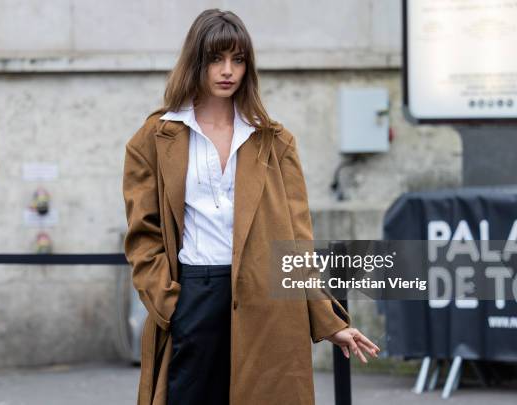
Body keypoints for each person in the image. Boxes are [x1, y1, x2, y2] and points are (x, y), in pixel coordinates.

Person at [122, 8, 380, 405]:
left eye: (238, 60)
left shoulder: (274, 142)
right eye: (216, 59)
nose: (228, 71)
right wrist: (169, 303)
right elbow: (143, 235)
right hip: (193, 295)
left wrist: (328, 321)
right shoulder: (156, 137)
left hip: (267, 305)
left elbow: (297, 244)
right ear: (196, 62)